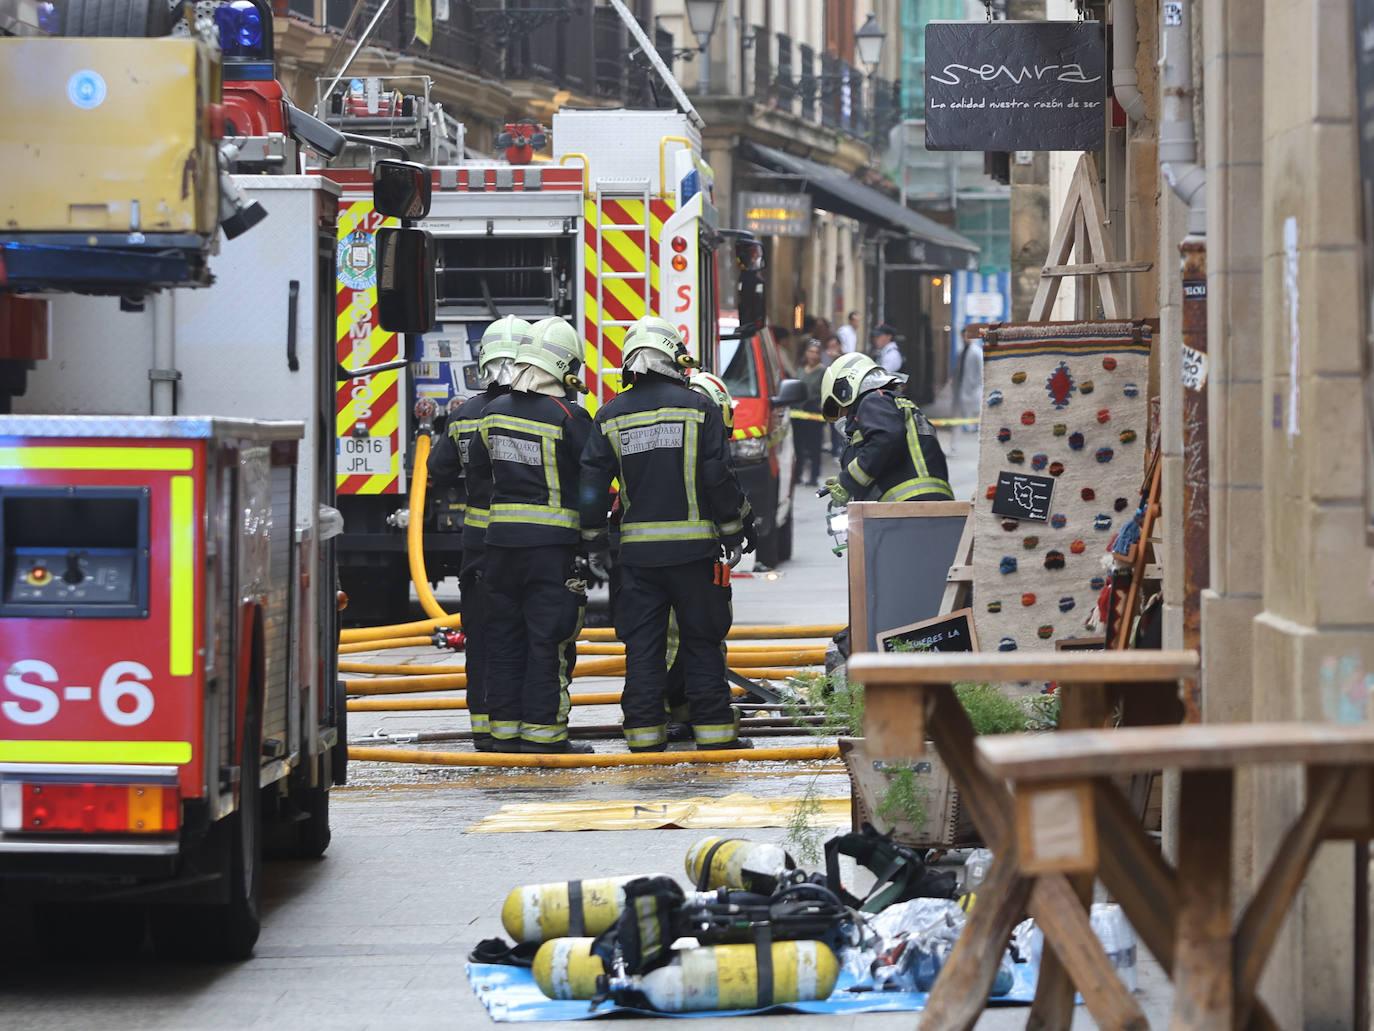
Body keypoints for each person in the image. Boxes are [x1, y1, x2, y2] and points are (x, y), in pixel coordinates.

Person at [580, 316, 756, 754]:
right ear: (672, 359)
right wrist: (733, 531)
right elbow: (717, 476)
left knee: (643, 647)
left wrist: (593, 540)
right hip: (696, 554)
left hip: (638, 559)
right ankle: (715, 732)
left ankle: (643, 735)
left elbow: (590, 484)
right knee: (701, 641)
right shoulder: (700, 409)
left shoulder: (609, 415)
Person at [466, 316, 594, 754]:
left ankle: (503, 733)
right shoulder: (569, 416)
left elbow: (478, 474)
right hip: (550, 549)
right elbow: (590, 480)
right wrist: (594, 537)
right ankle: (545, 735)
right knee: (547, 640)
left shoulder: (492, 412)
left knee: (503, 638)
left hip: (499, 547)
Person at [443, 315, 532, 751]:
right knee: (525, 636)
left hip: (477, 547)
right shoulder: (543, 412)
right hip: (528, 544)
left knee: (481, 638)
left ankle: (485, 727)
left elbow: (437, 470)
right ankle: (527, 725)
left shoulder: (463, 415)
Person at [819, 352, 953, 504]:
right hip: (939, 502)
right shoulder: (897, 403)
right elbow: (880, 457)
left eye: (838, 407)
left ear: (845, 388)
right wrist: (843, 481)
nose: (841, 415)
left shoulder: (874, 400)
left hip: (904, 507)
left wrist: (847, 482)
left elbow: (886, 439)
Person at [791, 339, 825, 486]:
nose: (813, 355)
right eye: (810, 351)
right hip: (798, 412)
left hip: (813, 411)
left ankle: (813, 476)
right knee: (798, 446)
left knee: (814, 447)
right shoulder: (800, 369)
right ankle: (797, 475)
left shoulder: (823, 371)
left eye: (816, 352)